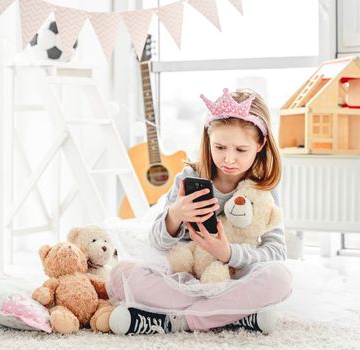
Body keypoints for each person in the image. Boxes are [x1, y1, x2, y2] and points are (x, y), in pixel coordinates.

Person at [107, 88, 293, 336]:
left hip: (235, 279)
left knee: (280, 278)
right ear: (208, 139)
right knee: (121, 274)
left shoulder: (264, 188)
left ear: (260, 144)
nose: (228, 159)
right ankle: (230, 316)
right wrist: (175, 215)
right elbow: (157, 242)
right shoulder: (189, 177)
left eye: (240, 150)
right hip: (186, 276)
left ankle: (180, 321)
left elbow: (276, 252)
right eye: (220, 147)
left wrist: (228, 254)